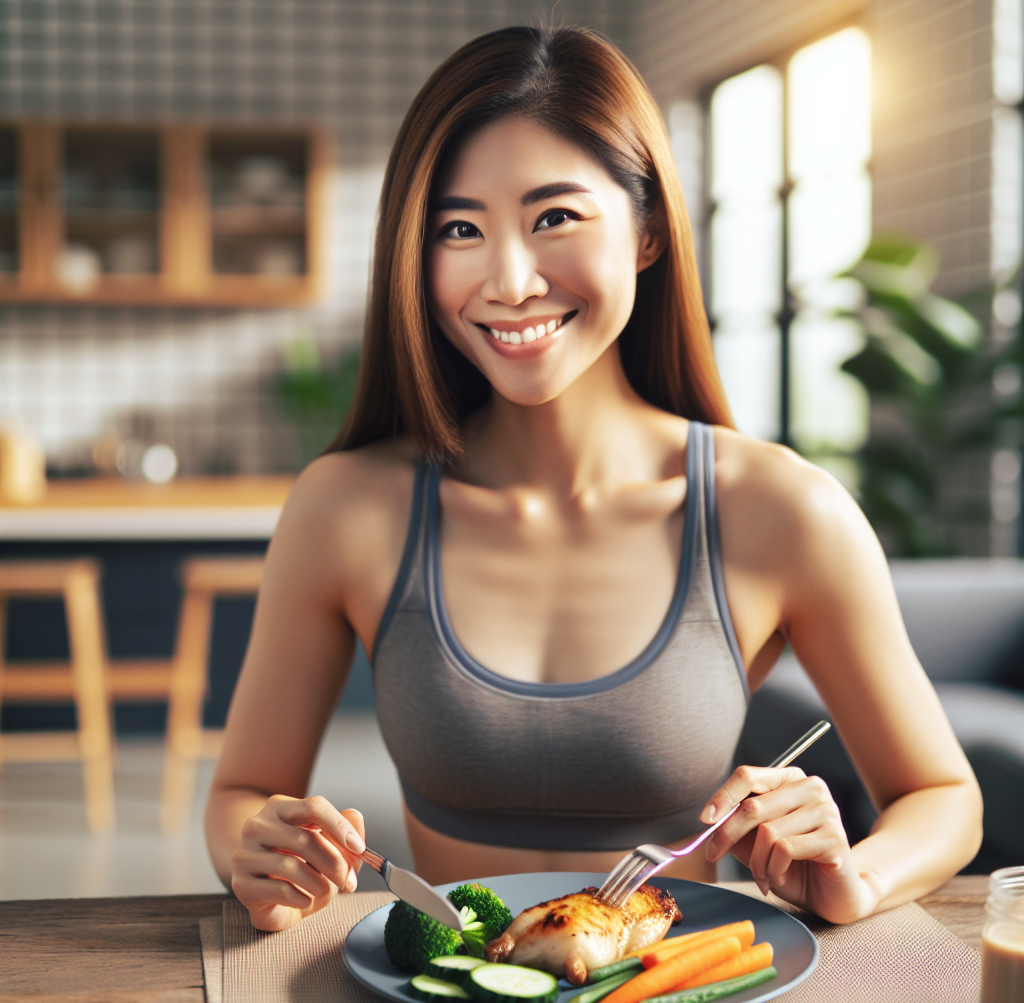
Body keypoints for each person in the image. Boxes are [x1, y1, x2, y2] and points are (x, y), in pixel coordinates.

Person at [205, 25, 982, 934]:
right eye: (460, 229)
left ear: (648, 230)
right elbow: (242, 793)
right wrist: (256, 846)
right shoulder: (345, 508)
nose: (509, 279)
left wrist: (861, 876)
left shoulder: (781, 511)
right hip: (451, 994)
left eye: (555, 218)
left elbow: (941, 794)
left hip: (679, 988)